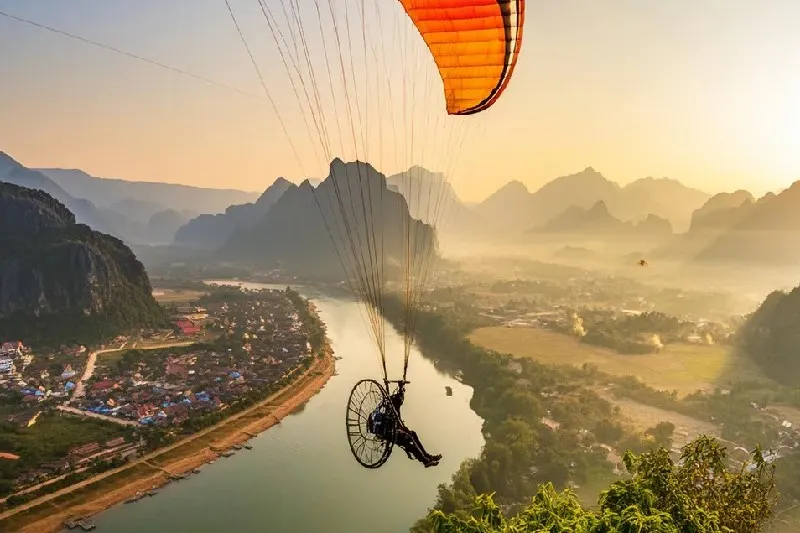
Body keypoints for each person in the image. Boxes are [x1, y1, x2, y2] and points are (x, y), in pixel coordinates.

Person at [367, 386, 442, 468]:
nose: (401, 402)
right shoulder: (389, 409)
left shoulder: (393, 409)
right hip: (388, 433)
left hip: (391, 430)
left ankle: (427, 456)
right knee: (408, 438)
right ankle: (425, 460)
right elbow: (391, 424)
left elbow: (397, 420)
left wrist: (401, 389)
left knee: (413, 434)